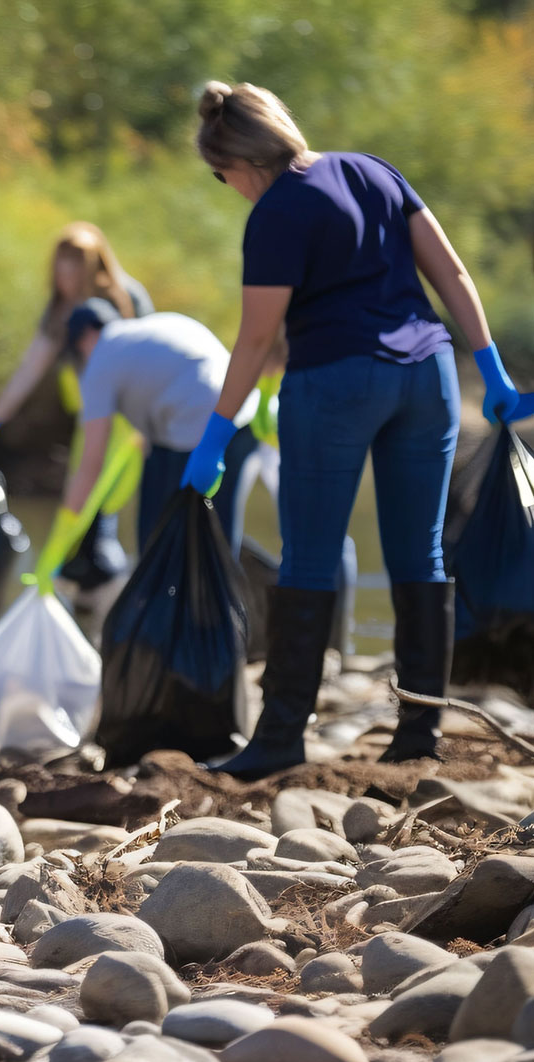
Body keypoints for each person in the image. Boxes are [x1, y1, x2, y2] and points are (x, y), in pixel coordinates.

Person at [182, 81, 534, 778]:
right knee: (421, 557)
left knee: (309, 559)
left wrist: (214, 438)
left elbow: (255, 342)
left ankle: (280, 738)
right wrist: (491, 375)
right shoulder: (372, 170)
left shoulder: (275, 212)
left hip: (337, 379)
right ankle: (417, 735)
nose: (228, 189)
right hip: (428, 375)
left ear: (240, 163)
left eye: (219, 178)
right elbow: (451, 271)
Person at [0, 223, 155, 594]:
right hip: (91, 418)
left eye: (75, 269)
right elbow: (29, 369)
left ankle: (108, 588)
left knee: (98, 508)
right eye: (61, 268)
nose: (66, 277)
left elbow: (151, 364)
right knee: (81, 510)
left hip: (128, 423)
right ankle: (81, 591)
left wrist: (146, 432)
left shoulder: (125, 299)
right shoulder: (59, 310)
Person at [27, 301, 258, 592]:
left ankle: (155, 622)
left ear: (85, 335)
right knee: (220, 542)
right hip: (242, 417)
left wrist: (59, 538)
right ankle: (222, 627)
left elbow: (91, 462)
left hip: (195, 425)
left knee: (156, 542)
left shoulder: (100, 359)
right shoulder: (154, 326)